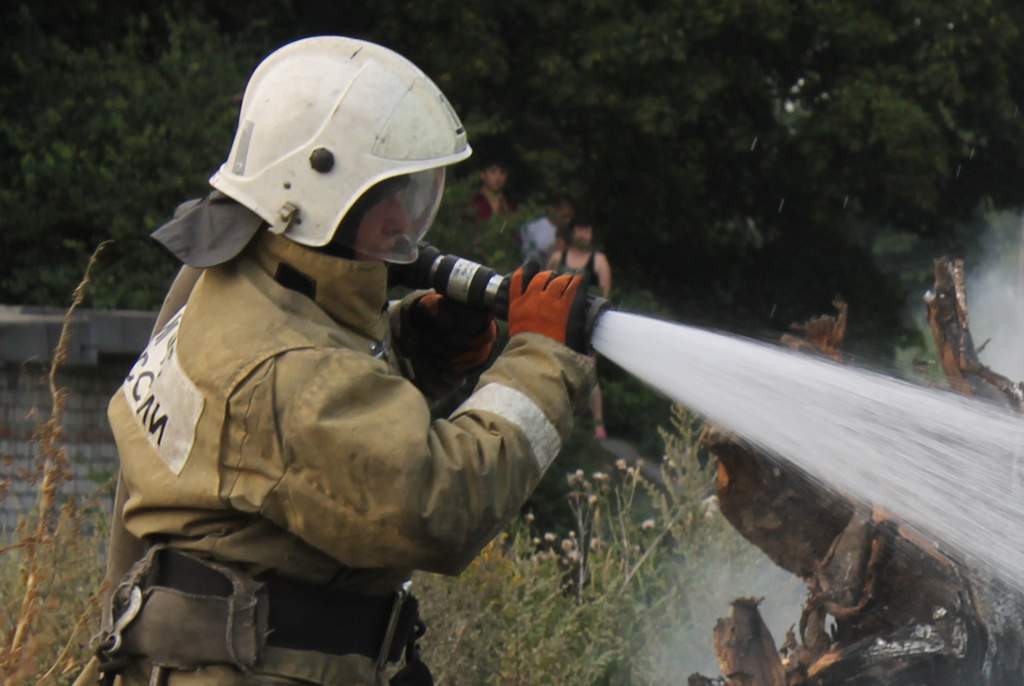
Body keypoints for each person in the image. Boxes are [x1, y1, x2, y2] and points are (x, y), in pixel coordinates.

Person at [77, 36, 594, 686]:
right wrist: (542, 358)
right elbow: (439, 505)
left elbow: (284, 437)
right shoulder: (282, 370)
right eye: (388, 194)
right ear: (323, 197)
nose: (406, 216)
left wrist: (413, 344)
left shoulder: (227, 281)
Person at [547, 216, 611, 439]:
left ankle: (598, 424)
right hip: (558, 321)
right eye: (582, 230)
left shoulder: (598, 261)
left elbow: (605, 296)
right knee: (554, 367)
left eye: (588, 231)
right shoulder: (558, 258)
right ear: (572, 232)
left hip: (586, 323)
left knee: (589, 372)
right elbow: (545, 287)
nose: (585, 235)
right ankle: (556, 416)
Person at [520, 195, 574, 266]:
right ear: (554, 210)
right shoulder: (536, 226)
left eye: (570, 217)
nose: (568, 221)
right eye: (564, 216)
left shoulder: (565, 231)